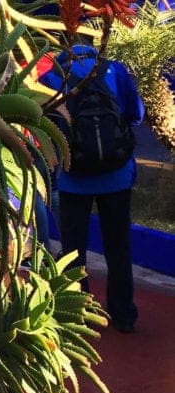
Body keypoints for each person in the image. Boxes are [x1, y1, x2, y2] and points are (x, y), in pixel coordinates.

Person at [42, 44, 144, 333]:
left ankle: (76, 313)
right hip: (117, 175)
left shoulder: (53, 77)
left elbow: (43, 123)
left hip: (73, 177)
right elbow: (135, 114)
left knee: (74, 250)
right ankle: (123, 315)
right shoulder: (115, 69)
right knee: (118, 246)